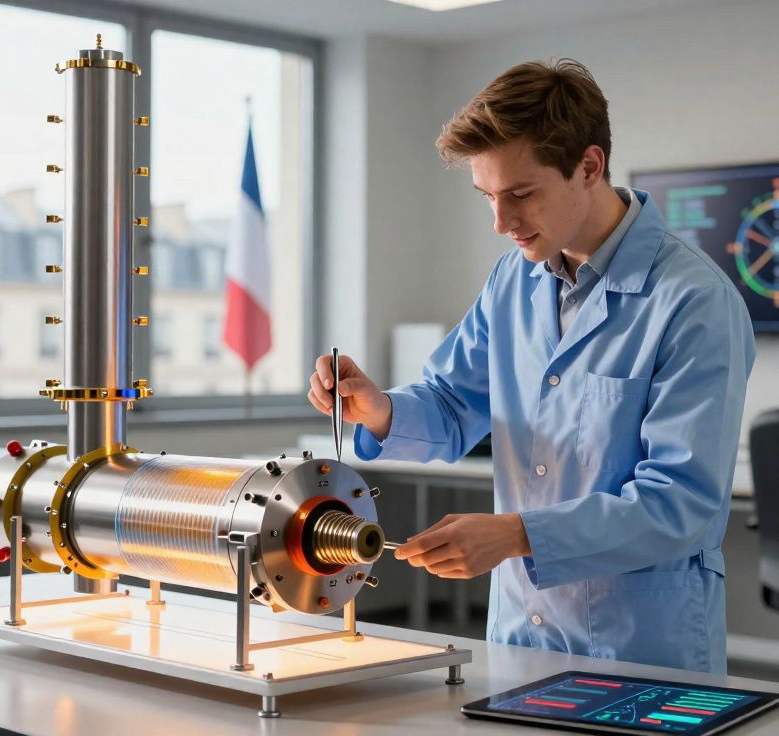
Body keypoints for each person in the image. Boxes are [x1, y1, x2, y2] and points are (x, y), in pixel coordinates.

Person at [307, 58, 755, 674]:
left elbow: (682, 503)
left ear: (589, 166)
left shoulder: (694, 300)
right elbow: (453, 400)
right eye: (488, 196)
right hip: (521, 632)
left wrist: (518, 535)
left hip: (640, 643)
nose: (501, 222)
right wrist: (379, 408)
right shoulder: (514, 280)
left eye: (521, 194)